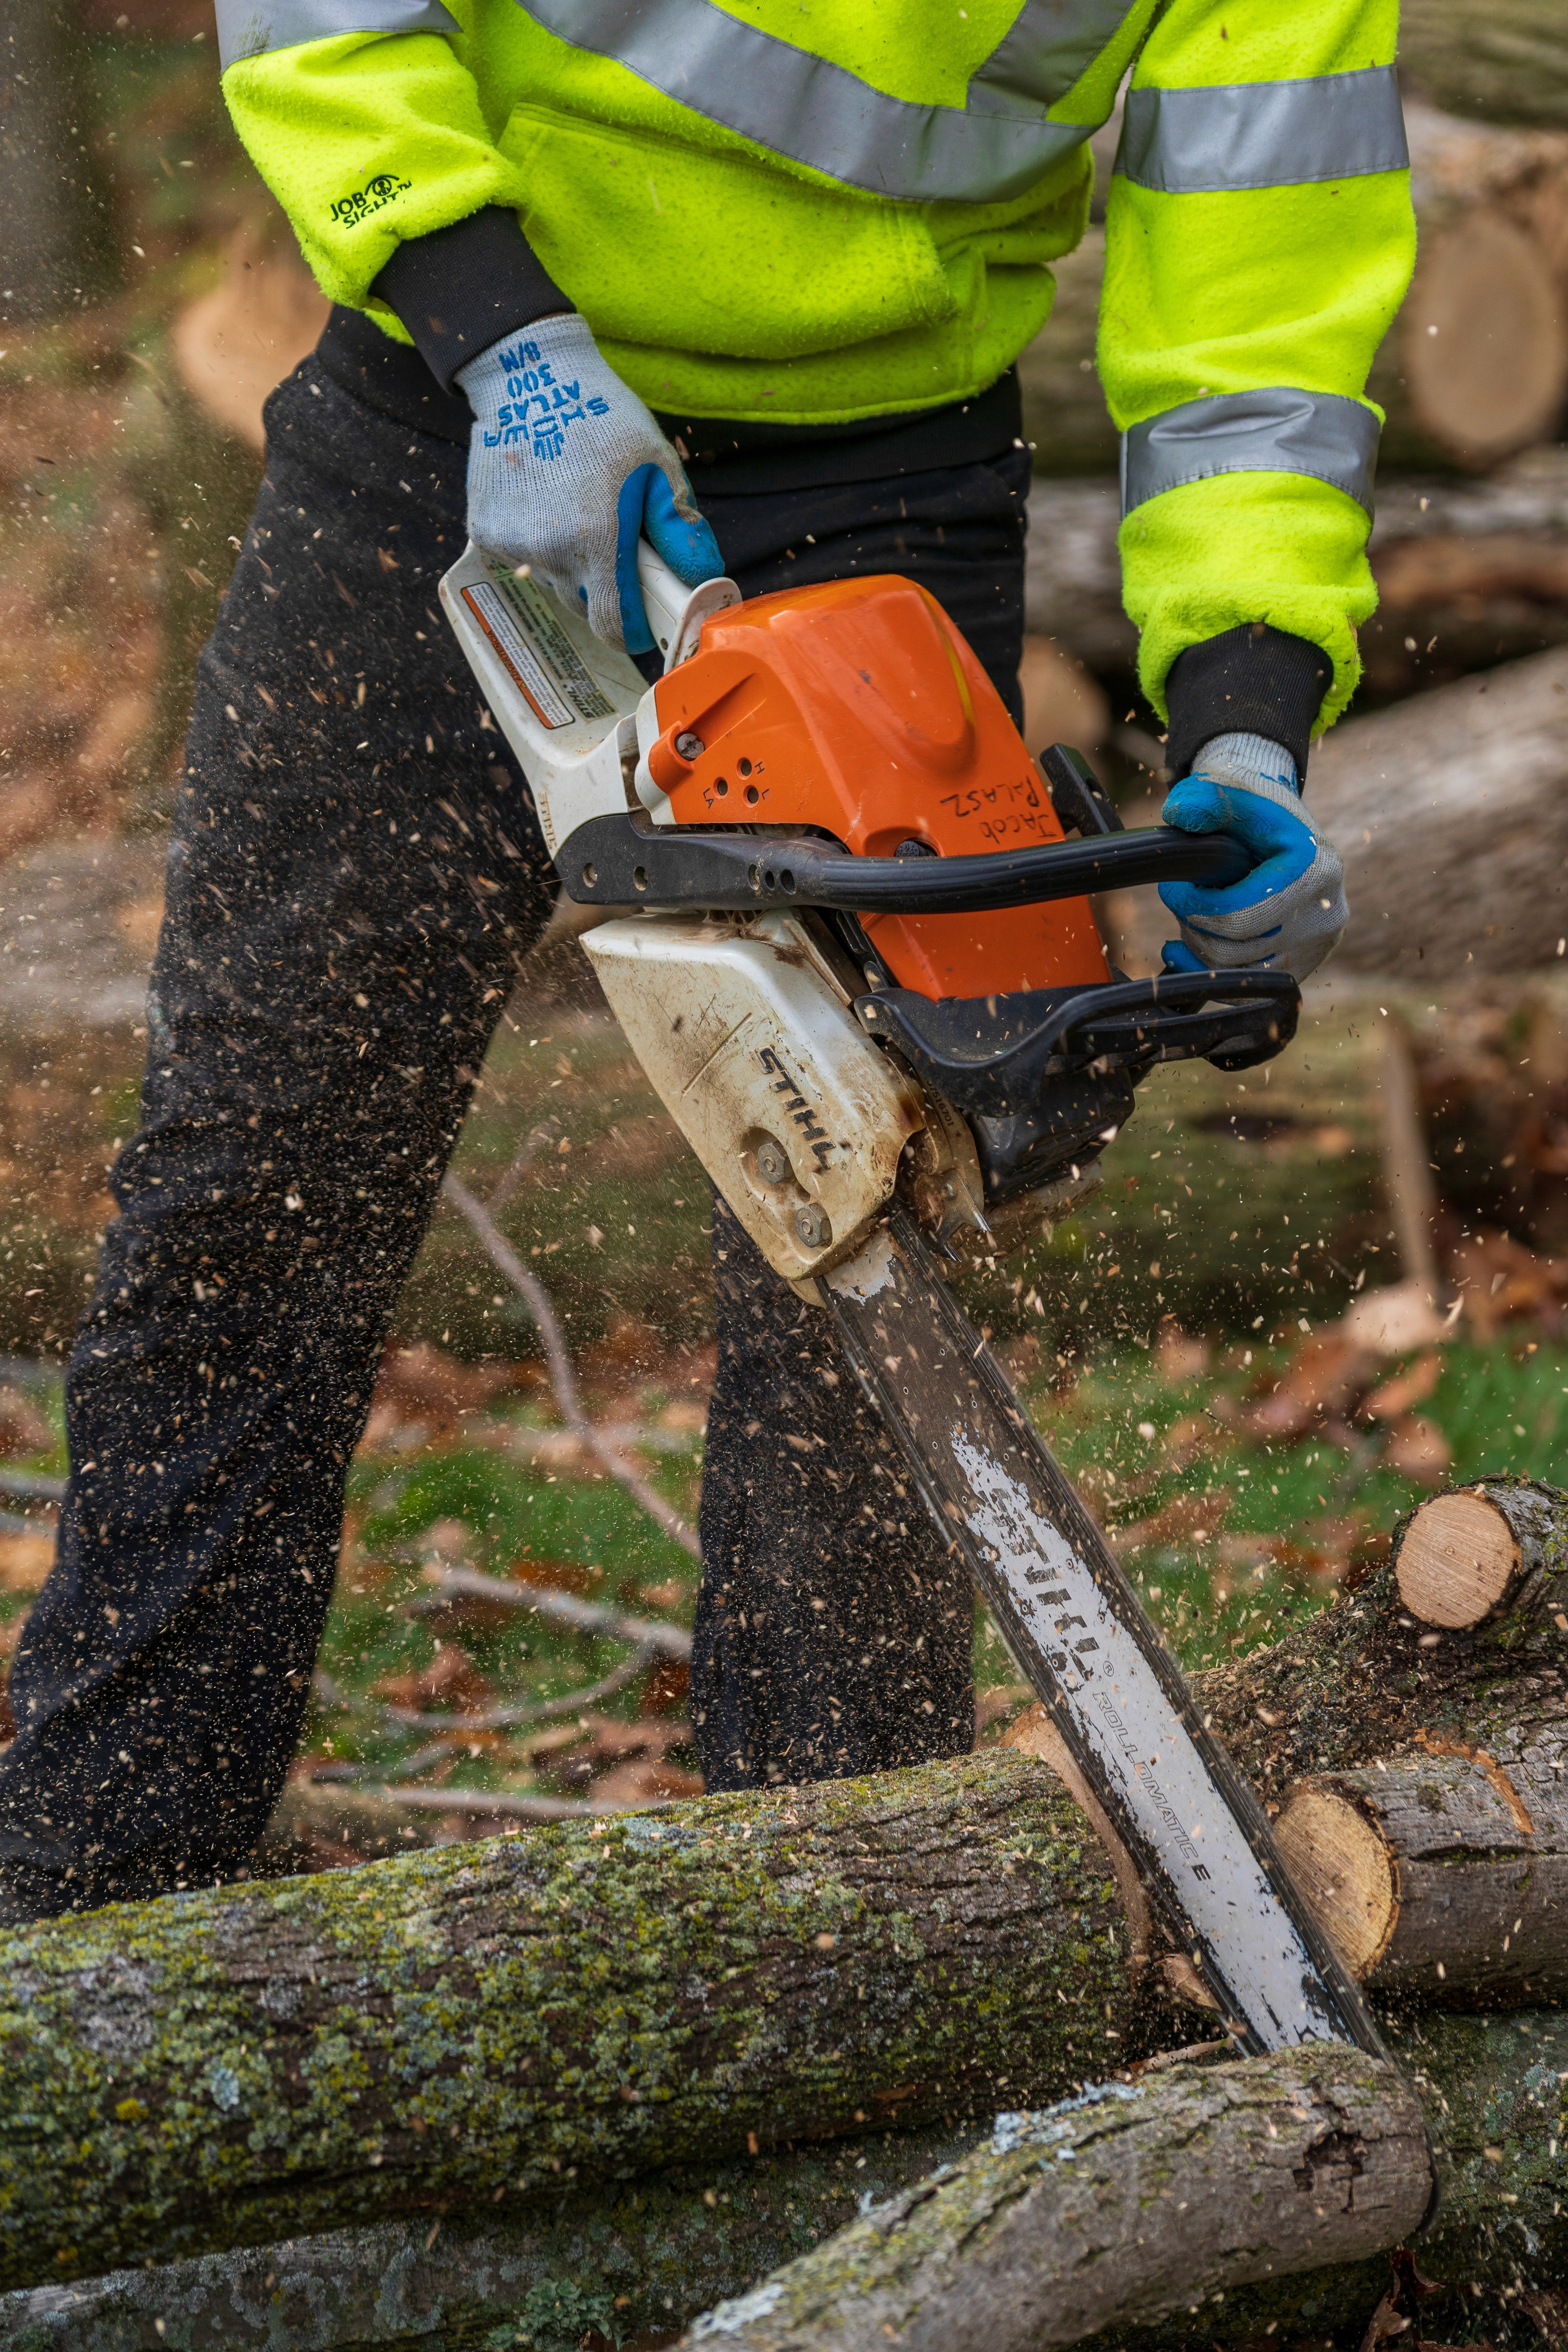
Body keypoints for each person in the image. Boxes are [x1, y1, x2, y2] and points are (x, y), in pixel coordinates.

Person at [0, 0, 1414, 1920]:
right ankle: (95, 1880)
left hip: (883, 493)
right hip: (457, 402)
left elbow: (1260, 296)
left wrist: (1246, 708)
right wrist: (500, 327)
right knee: (265, 1167)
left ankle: (825, 1932)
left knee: (874, 1232)